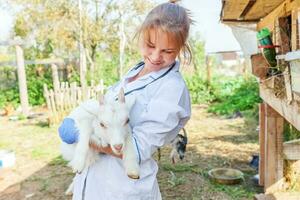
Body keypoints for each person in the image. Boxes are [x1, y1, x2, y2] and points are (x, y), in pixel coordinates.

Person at [58, 1, 192, 199]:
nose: (155, 56)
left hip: (123, 189)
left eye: (167, 51)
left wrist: (82, 134)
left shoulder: (172, 88)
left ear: (180, 48)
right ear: (141, 35)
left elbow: (138, 148)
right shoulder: (134, 72)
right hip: (95, 182)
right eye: (151, 45)